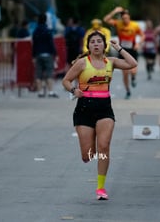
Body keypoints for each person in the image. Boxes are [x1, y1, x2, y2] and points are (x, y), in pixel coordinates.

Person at [61, 30, 137, 200]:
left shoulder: (111, 61)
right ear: (89, 46)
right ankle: (91, 146)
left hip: (104, 109)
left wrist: (119, 48)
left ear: (104, 45)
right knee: (87, 155)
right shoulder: (82, 63)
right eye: (93, 42)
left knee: (104, 146)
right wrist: (74, 90)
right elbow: (65, 80)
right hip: (84, 108)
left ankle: (100, 188)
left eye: (99, 41)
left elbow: (132, 63)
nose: (96, 44)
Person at [103, 6, 144, 99]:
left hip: (132, 50)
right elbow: (105, 19)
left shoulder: (134, 25)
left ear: (129, 17)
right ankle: (128, 91)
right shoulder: (118, 24)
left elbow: (142, 36)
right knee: (125, 73)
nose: (125, 20)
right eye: (124, 18)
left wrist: (138, 43)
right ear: (122, 18)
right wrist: (115, 11)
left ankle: (133, 77)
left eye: (127, 18)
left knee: (133, 70)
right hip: (122, 50)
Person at [32, 13, 58, 98]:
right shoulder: (48, 31)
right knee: (49, 73)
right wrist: (55, 54)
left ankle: (40, 92)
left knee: (38, 74)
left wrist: (33, 56)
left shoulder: (35, 31)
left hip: (38, 54)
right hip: (48, 54)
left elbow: (34, 45)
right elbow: (51, 44)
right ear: (46, 20)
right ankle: (50, 92)